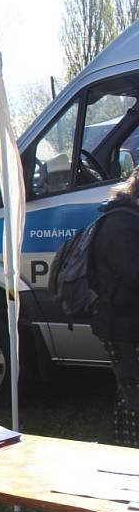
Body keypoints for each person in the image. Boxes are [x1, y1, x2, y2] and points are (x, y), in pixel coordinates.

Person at [91, 168, 139, 447]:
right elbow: (133, 274)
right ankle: (130, 457)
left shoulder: (128, 219)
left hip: (126, 322)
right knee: (133, 393)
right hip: (121, 325)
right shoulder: (120, 224)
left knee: (129, 391)